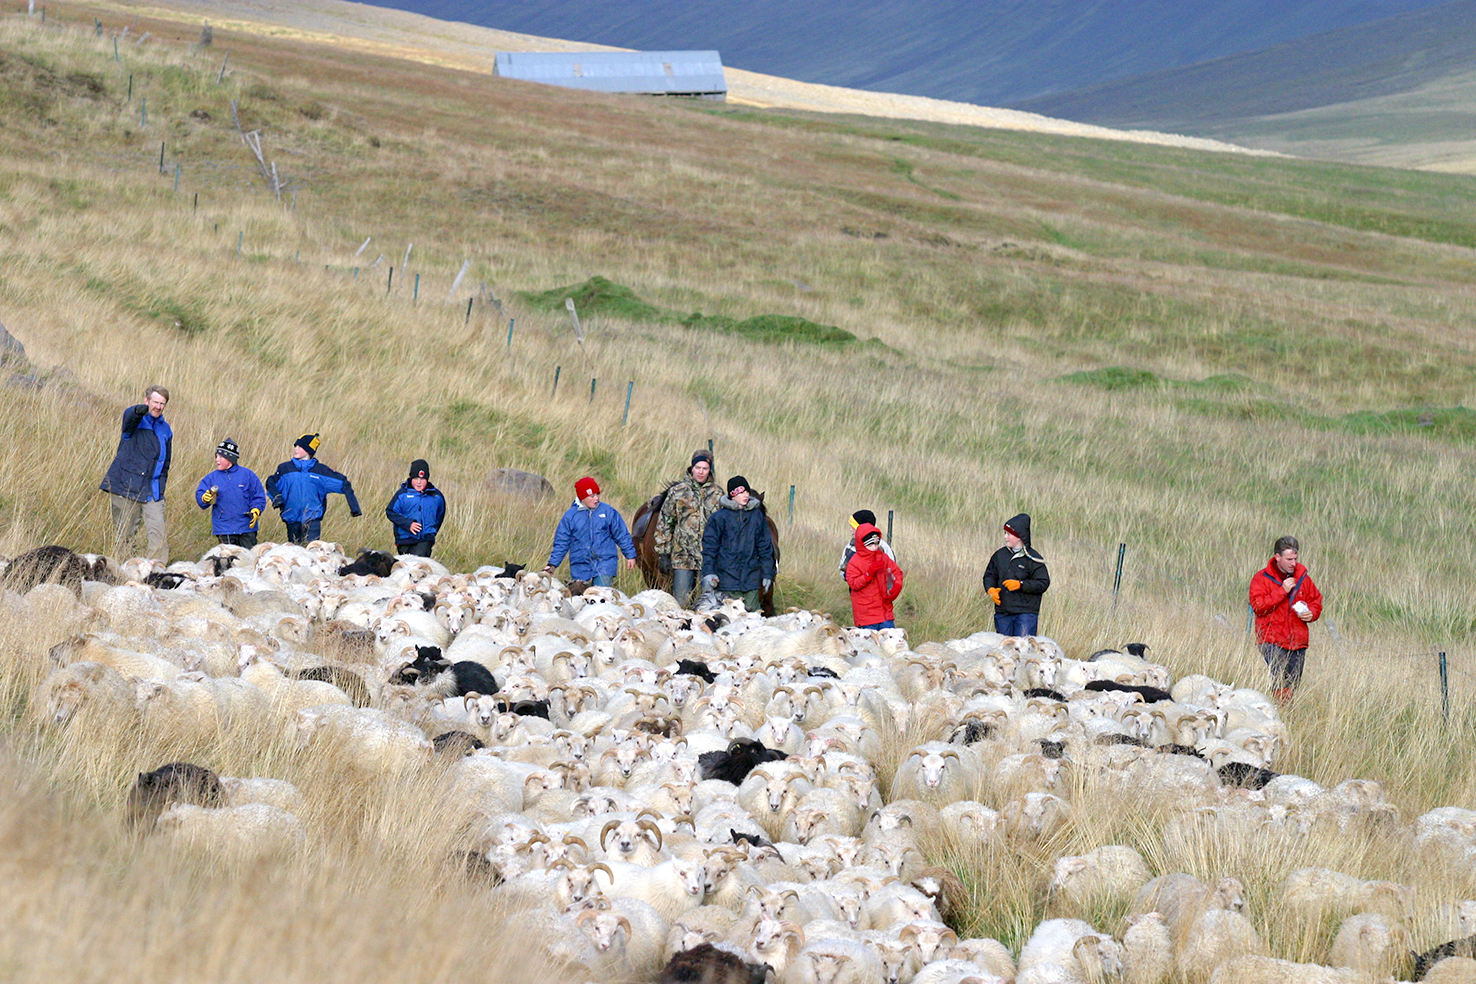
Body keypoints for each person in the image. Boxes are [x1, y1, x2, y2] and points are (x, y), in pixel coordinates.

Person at [100, 385, 173, 562]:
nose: (158, 407)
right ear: (146, 400)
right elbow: (129, 416)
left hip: (152, 491)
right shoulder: (135, 421)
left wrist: (161, 486)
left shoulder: (166, 429)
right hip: (126, 486)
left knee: (158, 537)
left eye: (162, 403)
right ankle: (125, 572)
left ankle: (155, 575)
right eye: (155, 402)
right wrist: (139, 410)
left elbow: (166, 462)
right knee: (124, 536)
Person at [1248, 535, 1322, 703]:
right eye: (1289, 559)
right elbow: (1258, 606)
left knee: (1293, 682)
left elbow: (1316, 600)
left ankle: (1285, 710)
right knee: (1280, 676)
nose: (1293, 563)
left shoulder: (1303, 578)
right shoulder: (1261, 579)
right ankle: (1280, 708)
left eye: (1295, 558)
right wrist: (1282, 591)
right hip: (1270, 638)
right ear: (1277, 557)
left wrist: (1312, 613)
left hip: (1297, 640)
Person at [264, 433, 361, 545]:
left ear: (309, 450)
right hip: (291, 519)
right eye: (295, 446)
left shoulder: (320, 470)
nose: (296, 449)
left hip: (313, 521)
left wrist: (354, 508)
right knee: (295, 554)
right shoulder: (285, 468)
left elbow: (344, 483)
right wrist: (277, 498)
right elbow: (270, 482)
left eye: (300, 447)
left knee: (313, 553)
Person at [654, 450, 722, 605]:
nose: (701, 472)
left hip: (709, 559)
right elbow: (665, 522)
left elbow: (723, 527)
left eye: (705, 468)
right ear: (692, 468)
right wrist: (663, 553)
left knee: (709, 604)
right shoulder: (678, 492)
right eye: (698, 467)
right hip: (682, 558)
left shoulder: (717, 493)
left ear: (709, 470)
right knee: (681, 603)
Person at [543, 477, 637, 587]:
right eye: (592, 496)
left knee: (601, 598)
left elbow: (621, 535)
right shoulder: (570, 516)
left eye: (597, 495)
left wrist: (630, 555)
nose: (596, 498)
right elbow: (561, 543)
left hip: (605, 564)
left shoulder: (608, 511)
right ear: (582, 498)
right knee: (582, 600)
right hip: (580, 566)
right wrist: (552, 565)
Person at [701, 475, 775, 613]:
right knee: (728, 622)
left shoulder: (757, 517)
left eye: (746, 491)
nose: (745, 495)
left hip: (751, 582)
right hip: (726, 582)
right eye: (740, 492)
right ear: (732, 495)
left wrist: (767, 574)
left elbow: (765, 548)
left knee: (752, 621)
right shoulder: (718, 518)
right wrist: (709, 572)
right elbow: (710, 548)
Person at [982, 513, 1050, 637]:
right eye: (1005, 533)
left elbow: (1043, 582)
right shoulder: (999, 555)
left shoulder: (1034, 559)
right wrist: (990, 589)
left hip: (1026, 614)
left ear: (1019, 536)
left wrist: (1021, 584)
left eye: (1009, 534)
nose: (1005, 537)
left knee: (1023, 650)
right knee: (1003, 650)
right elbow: (989, 575)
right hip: (1003, 613)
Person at [194, 439, 267, 548]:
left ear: (230, 458)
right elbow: (200, 496)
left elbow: (258, 496)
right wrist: (203, 498)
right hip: (224, 528)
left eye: (221, 457)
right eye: (216, 456)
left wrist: (256, 509)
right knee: (228, 562)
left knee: (249, 559)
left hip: (246, 528)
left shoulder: (248, 475)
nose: (217, 460)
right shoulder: (211, 478)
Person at [846, 522, 904, 629]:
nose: (874, 547)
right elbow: (853, 584)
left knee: (890, 644)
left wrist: (896, 586)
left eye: (876, 544)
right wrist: (868, 574)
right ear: (861, 543)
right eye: (870, 544)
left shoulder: (883, 557)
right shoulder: (855, 562)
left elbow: (897, 573)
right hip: (866, 616)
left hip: (885, 613)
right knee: (870, 645)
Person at [385, 459, 445, 557]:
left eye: (422, 479)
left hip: (425, 540)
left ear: (427, 479)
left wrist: (430, 532)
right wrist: (408, 524)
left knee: (418, 565)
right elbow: (390, 512)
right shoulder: (402, 494)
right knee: (406, 567)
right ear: (410, 478)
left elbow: (439, 516)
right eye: (416, 478)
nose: (419, 482)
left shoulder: (436, 496)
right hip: (404, 540)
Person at [838, 509, 895, 580]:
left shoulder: (882, 546)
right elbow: (842, 571)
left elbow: (893, 571)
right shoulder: (851, 547)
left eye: (853, 527)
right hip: (857, 589)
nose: (850, 529)